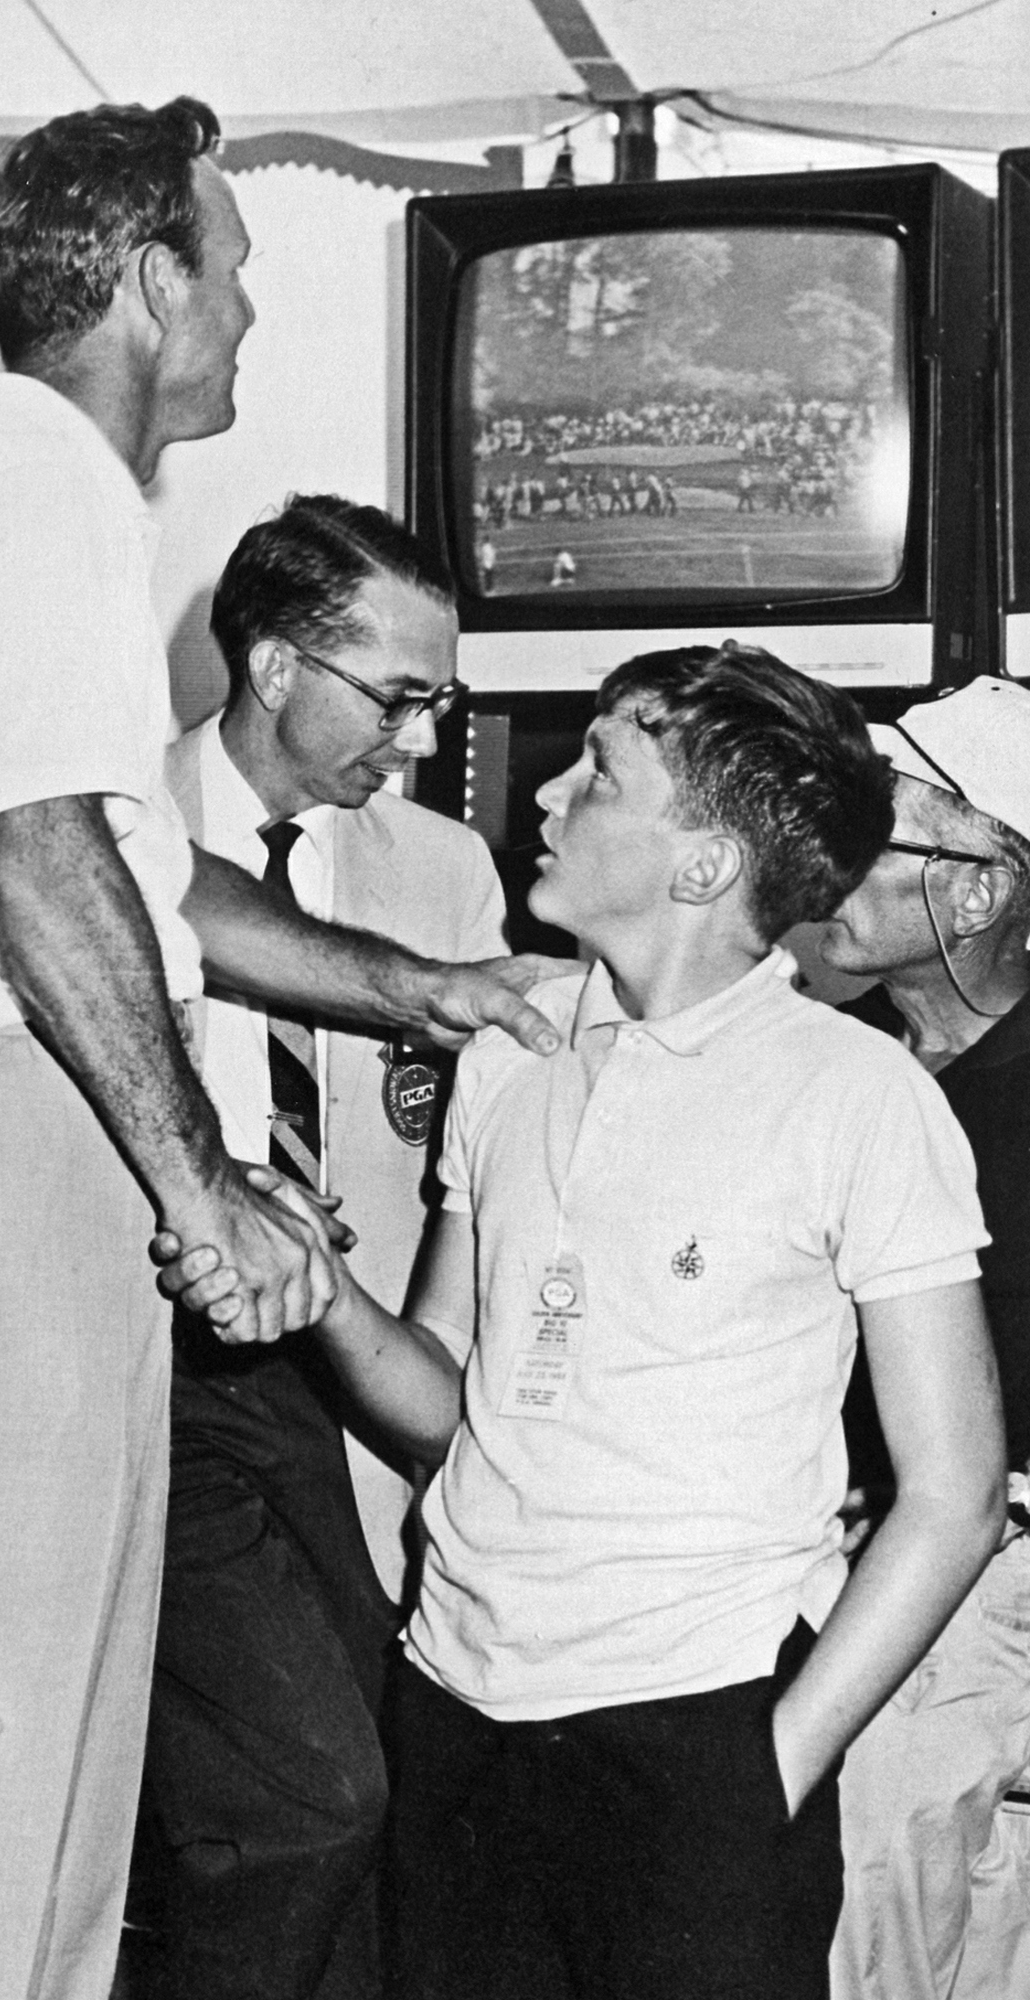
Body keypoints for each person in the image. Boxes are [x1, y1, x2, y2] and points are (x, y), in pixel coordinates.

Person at [0, 97, 557, 2000]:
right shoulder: (34, 492)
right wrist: (205, 1185)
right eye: (236, 270)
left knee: (53, 1781)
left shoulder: (29, 495)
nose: (249, 314)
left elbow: (145, 871)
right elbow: (44, 867)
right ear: (150, 283)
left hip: (23, 1170)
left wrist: (408, 985)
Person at [161, 643, 1007, 2000]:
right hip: (455, 1714)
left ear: (704, 865)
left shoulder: (857, 1094)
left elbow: (955, 1493)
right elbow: (445, 1396)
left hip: (695, 1732)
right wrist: (322, 1293)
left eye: (599, 773)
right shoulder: (508, 1048)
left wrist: (772, 1766)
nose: (546, 795)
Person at [141, 496, 509, 2000]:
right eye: (397, 696)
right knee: (294, 1798)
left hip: (359, 1396)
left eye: (439, 701)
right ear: (278, 664)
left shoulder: (446, 872)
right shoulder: (110, 832)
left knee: (372, 1813)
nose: (418, 740)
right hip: (168, 1384)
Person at [819, 675, 1030, 2000]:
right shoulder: (823, 1067)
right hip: (868, 1568)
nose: (822, 856)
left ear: (976, 890)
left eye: (869, 830)